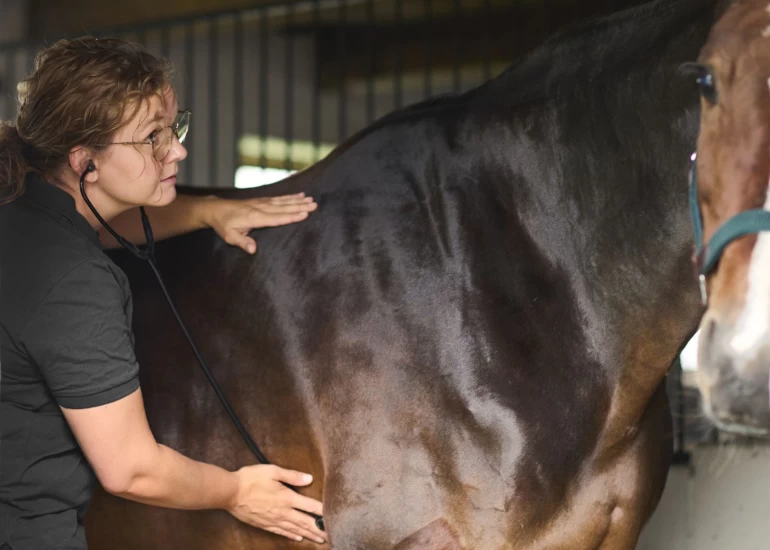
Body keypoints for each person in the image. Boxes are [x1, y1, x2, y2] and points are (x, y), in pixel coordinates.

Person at [0, 37, 328, 549]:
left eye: (174, 126)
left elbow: (98, 228)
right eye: (152, 137)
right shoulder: (75, 283)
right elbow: (130, 470)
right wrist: (236, 490)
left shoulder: (19, 211)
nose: (177, 149)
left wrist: (205, 211)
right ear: (85, 162)